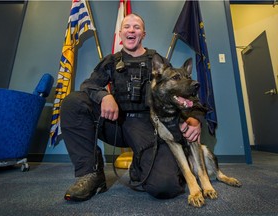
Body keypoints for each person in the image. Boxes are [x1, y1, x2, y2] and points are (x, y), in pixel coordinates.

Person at [60, 13, 203, 202]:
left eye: (136, 27)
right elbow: (88, 85)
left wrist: (194, 118)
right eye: (127, 27)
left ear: (143, 34)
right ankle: (91, 174)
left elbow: (182, 88)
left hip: (149, 126)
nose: (131, 30)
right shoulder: (112, 61)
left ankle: (139, 165)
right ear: (120, 33)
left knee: (165, 187)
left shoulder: (158, 62)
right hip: (116, 123)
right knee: (73, 102)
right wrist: (105, 96)